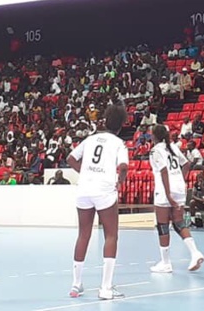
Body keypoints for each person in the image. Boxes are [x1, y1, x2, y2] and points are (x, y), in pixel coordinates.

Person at [66, 105, 129, 300]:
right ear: (121, 125)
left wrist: (85, 173)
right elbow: (123, 167)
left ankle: (76, 284)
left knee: (83, 235)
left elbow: (70, 158)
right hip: (104, 190)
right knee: (111, 235)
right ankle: (106, 288)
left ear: (105, 121)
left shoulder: (90, 139)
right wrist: (120, 181)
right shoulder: (119, 143)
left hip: (84, 188)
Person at [148, 124, 204, 273]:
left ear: (154, 136)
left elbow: (163, 171)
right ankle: (195, 252)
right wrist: (181, 179)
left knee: (162, 225)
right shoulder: (172, 146)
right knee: (178, 222)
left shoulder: (155, 151)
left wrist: (168, 194)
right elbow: (186, 164)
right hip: (179, 188)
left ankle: (165, 263)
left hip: (165, 189)